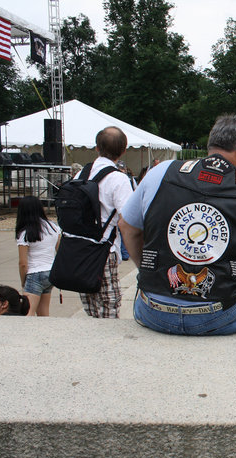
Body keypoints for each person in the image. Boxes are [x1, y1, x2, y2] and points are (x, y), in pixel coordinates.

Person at [118, 115, 236, 335]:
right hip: (219, 314)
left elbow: (127, 226)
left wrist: (150, 270)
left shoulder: (160, 172)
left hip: (152, 309)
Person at [78, 126, 134, 318]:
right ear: (123, 150)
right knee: (109, 305)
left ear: (97, 148)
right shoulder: (118, 179)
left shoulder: (81, 174)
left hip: (79, 248)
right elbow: (127, 219)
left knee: (90, 305)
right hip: (103, 249)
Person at [15, 196, 61, 316]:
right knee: (43, 314)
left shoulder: (24, 233)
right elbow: (59, 251)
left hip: (34, 273)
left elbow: (23, 263)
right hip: (50, 273)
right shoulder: (53, 227)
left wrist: (23, 282)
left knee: (26, 314)